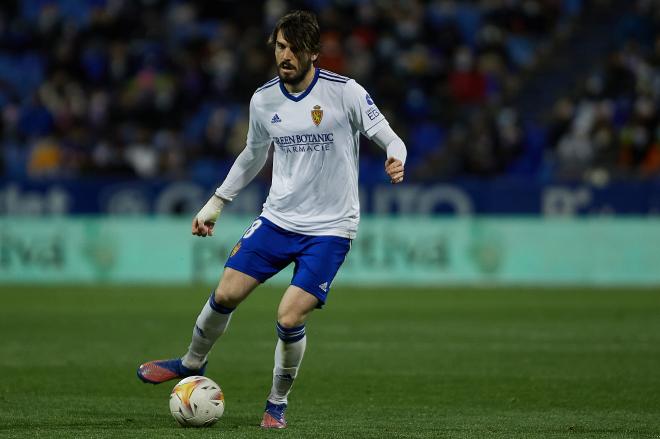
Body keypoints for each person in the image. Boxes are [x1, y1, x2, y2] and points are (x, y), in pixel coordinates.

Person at [137, 10, 407, 429]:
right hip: (278, 220)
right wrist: (216, 202)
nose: (286, 55)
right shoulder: (264, 99)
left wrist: (395, 155)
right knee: (225, 293)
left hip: (330, 229)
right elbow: (253, 153)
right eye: (280, 46)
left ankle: (276, 403)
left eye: (295, 49)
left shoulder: (345, 92)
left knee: (288, 316)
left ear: (313, 53)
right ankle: (191, 363)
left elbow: (389, 136)